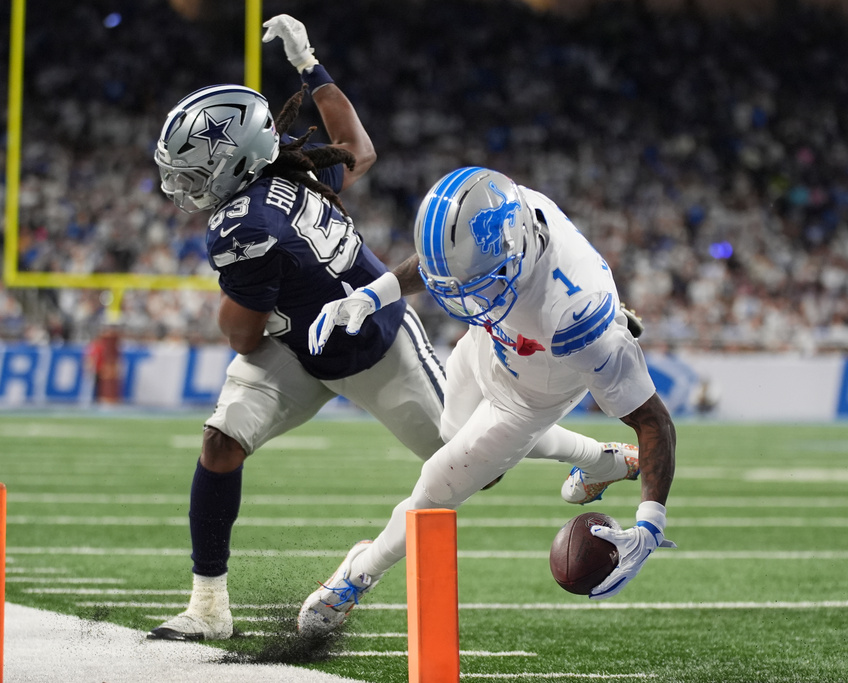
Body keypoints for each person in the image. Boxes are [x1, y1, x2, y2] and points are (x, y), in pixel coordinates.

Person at [149, 17, 645, 642]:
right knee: (222, 441)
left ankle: (597, 457)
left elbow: (242, 334)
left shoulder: (242, 228)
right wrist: (310, 66)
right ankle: (207, 607)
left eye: (197, 170)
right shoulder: (286, 174)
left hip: (373, 345)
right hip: (300, 344)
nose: (185, 186)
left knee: (476, 461)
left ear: (238, 162)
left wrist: (254, 311)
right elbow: (358, 149)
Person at [300, 167, 676, 635]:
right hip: (490, 344)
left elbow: (655, 421)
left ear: (515, 250)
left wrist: (649, 526)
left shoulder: (575, 315)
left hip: (535, 388)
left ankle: (358, 573)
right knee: (456, 439)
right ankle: (601, 461)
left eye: (477, 281)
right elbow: (443, 267)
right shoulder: (498, 223)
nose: (462, 294)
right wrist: (371, 295)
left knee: (437, 486)